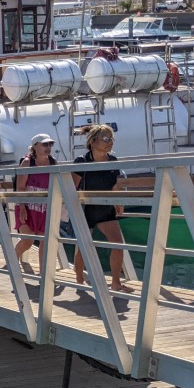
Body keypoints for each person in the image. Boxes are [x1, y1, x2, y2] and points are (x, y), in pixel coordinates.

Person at [72, 124, 130, 292]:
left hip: (105, 208)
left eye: (111, 139)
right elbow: (71, 188)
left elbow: (115, 184)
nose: (109, 142)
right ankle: (78, 280)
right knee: (85, 246)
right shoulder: (82, 161)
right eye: (105, 139)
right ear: (93, 141)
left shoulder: (112, 160)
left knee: (118, 244)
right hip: (87, 209)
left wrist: (119, 201)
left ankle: (116, 282)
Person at [14, 134, 57, 274]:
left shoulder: (53, 162)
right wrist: (22, 208)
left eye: (50, 144)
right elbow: (20, 187)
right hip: (26, 206)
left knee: (45, 240)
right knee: (28, 240)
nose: (48, 148)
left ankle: (44, 274)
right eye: (44, 144)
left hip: (44, 207)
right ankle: (12, 262)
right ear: (35, 147)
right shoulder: (27, 163)